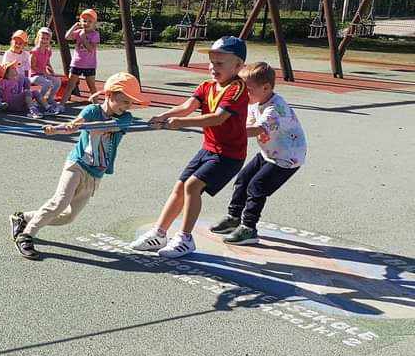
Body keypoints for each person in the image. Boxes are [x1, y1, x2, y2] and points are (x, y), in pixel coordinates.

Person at [131, 36, 249, 258]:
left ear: (238, 66)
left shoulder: (237, 90)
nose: (213, 67)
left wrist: (181, 123)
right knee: (180, 187)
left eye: (220, 63)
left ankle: (185, 239)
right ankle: (159, 233)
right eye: (212, 62)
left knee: (192, 186)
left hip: (229, 155)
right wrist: (163, 115)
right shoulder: (207, 86)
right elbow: (187, 106)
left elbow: (217, 118)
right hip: (209, 148)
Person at [10, 73, 149, 259]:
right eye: (124, 101)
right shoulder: (91, 110)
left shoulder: (126, 118)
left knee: (68, 217)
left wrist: (80, 126)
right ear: (109, 95)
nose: (127, 106)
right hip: (77, 164)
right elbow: (76, 124)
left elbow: (105, 126)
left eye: (130, 103)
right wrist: (58, 129)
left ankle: (23, 217)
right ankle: (27, 235)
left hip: (95, 173)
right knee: (60, 202)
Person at [209, 61, 307, 246]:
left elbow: (256, 129)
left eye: (248, 90)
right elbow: (246, 124)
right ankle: (234, 217)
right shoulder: (255, 101)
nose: (244, 94)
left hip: (287, 157)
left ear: (266, 87)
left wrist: (227, 131)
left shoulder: (275, 109)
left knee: (257, 187)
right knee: (243, 179)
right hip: (269, 153)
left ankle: (249, 228)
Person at [65, 8, 101, 100]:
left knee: (92, 87)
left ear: (94, 24)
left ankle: (96, 104)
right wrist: (74, 26)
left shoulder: (95, 34)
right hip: (76, 64)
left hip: (89, 65)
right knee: (70, 85)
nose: (86, 23)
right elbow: (67, 37)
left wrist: (83, 38)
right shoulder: (78, 32)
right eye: (84, 21)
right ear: (80, 22)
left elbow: (91, 49)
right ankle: (61, 104)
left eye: (90, 21)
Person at [29, 27, 63, 114]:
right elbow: (33, 67)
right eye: (42, 38)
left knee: (57, 81)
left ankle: (50, 99)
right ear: (38, 38)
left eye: (47, 39)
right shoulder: (34, 52)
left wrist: (52, 72)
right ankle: (38, 101)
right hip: (34, 75)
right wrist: (43, 73)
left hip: (43, 74)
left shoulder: (48, 51)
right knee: (47, 83)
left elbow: (47, 63)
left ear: (49, 40)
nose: (44, 40)